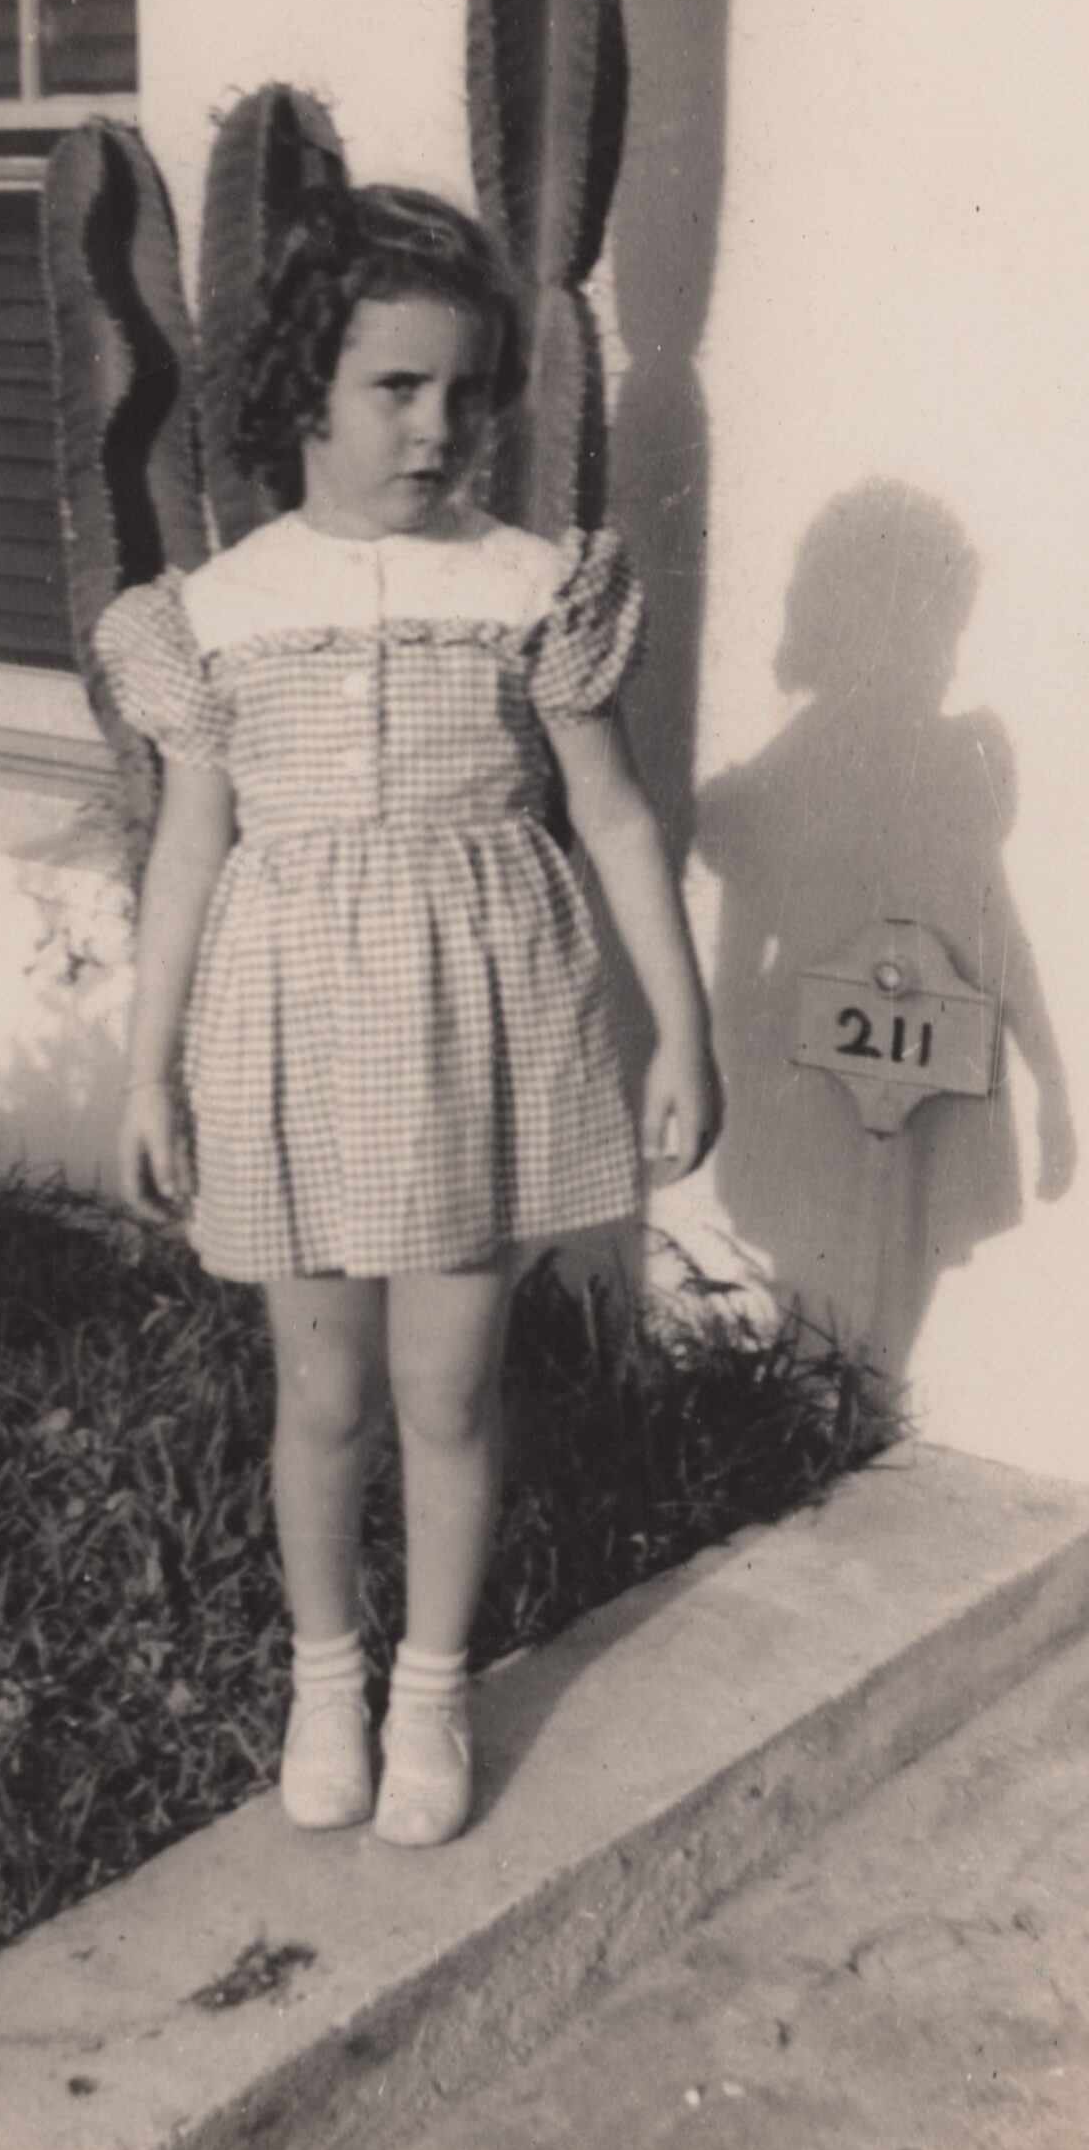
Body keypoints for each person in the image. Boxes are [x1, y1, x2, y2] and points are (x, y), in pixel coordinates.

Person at [101, 183, 721, 1848]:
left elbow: (608, 815)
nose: (438, 428)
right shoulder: (219, 609)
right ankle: (324, 1672)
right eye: (395, 388)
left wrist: (682, 1025)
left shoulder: (532, 585)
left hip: (480, 1023)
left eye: (465, 392)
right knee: (322, 1396)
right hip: (291, 1025)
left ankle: (433, 1688)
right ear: (306, 388)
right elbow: (189, 841)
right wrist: (147, 1068)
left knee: (447, 1390)